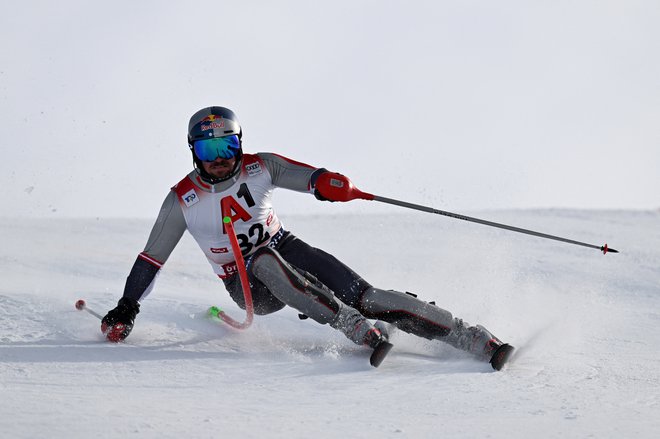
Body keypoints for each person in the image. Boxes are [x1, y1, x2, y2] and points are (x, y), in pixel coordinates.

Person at [102, 106, 514, 370]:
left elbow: (310, 178)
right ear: (194, 153)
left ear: (239, 144)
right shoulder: (183, 200)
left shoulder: (260, 166)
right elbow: (151, 261)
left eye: (227, 146)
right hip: (246, 284)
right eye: (209, 152)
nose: (221, 159)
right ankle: (350, 325)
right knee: (264, 260)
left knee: (366, 295)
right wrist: (127, 306)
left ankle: (468, 335)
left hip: (289, 248)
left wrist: (330, 184)